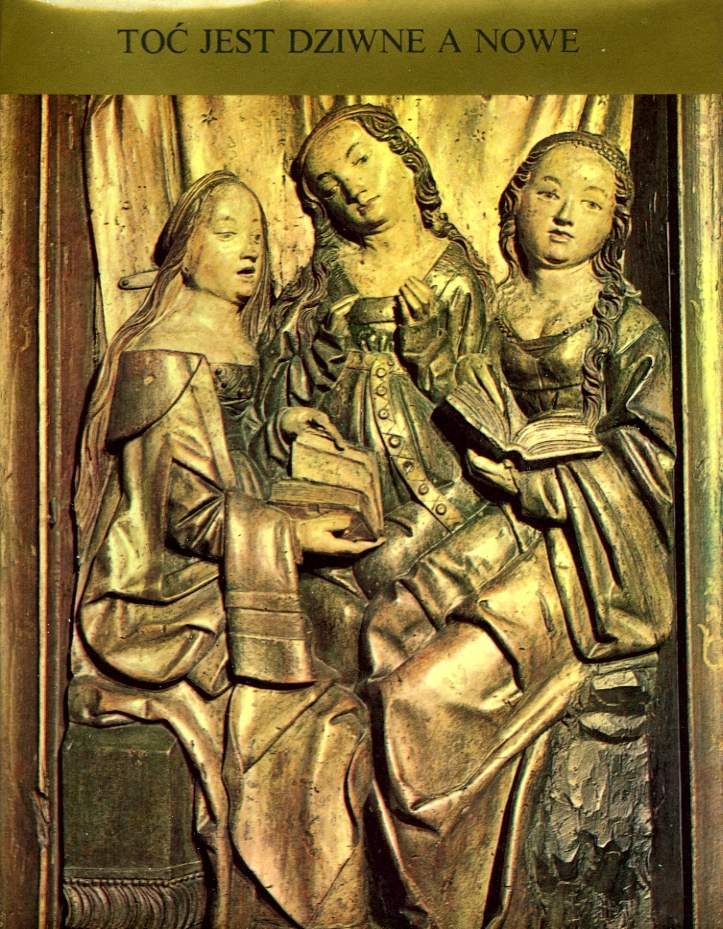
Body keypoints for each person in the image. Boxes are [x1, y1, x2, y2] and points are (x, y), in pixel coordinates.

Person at [363, 132, 676, 929]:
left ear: (614, 224)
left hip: (590, 551)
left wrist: (545, 481)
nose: (565, 214)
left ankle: (442, 902)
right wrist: (432, 361)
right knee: (386, 622)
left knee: (420, 694)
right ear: (517, 198)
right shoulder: (493, 306)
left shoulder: (626, 328)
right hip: (502, 516)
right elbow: (474, 415)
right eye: (548, 192)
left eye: (591, 201)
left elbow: (658, 462)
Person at [68, 171, 379, 929]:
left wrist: (282, 429)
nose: (250, 250)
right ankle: (291, 907)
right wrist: (292, 535)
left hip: (226, 559)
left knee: (358, 618)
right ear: (186, 248)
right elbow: (182, 514)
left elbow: (230, 453)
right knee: (329, 720)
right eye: (229, 230)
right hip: (160, 592)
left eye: (258, 235)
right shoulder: (163, 353)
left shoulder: (230, 336)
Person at [250, 104, 494, 684]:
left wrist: (428, 347)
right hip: (330, 487)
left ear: (407, 161)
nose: (353, 188)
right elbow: (271, 391)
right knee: (325, 601)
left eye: (360, 161)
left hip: (430, 486)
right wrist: (315, 364)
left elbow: (483, 406)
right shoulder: (322, 283)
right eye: (330, 187)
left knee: (392, 588)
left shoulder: (455, 277)